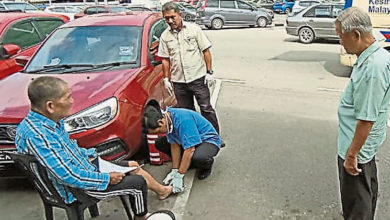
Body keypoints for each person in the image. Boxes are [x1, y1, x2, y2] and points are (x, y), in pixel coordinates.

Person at [15, 76, 173, 220]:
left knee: (132, 165)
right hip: (74, 189)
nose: (72, 101)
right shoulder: (39, 135)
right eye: (68, 97)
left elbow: (69, 151)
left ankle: (161, 190)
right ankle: (142, 217)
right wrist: (106, 178)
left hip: (84, 169)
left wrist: (95, 158)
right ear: (50, 106)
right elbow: (68, 175)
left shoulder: (47, 122)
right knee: (137, 183)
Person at [335, 7, 390, 220]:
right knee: (364, 195)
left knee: (357, 205)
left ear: (356, 35)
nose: (340, 41)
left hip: (357, 149)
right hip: (359, 146)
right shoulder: (371, 54)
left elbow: (366, 119)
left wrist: (351, 156)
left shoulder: (373, 68)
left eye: (341, 36)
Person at [158, 2, 221, 136]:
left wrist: (209, 72)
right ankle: (194, 136)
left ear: (179, 15)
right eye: (166, 18)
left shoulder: (194, 29)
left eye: (172, 17)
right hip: (179, 81)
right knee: (187, 111)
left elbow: (206, 51)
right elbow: (165, 59)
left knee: (206, 108)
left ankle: (214, 136)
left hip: (197, 78)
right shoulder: (165, 36)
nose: (170, 20)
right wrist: (165, 78)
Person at [143, 105, 221, 193]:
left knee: (199, 158)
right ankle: (188, 163)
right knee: (160, 143)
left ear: (161, 122)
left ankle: (206, 165)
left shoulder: (183, 120)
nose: (160, 133)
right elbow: (174, 144)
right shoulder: (168, 121)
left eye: (159, 131)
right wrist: (175, 169)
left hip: (208, 140)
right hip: (189, 140)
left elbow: (190, 149)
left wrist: (180, 175)